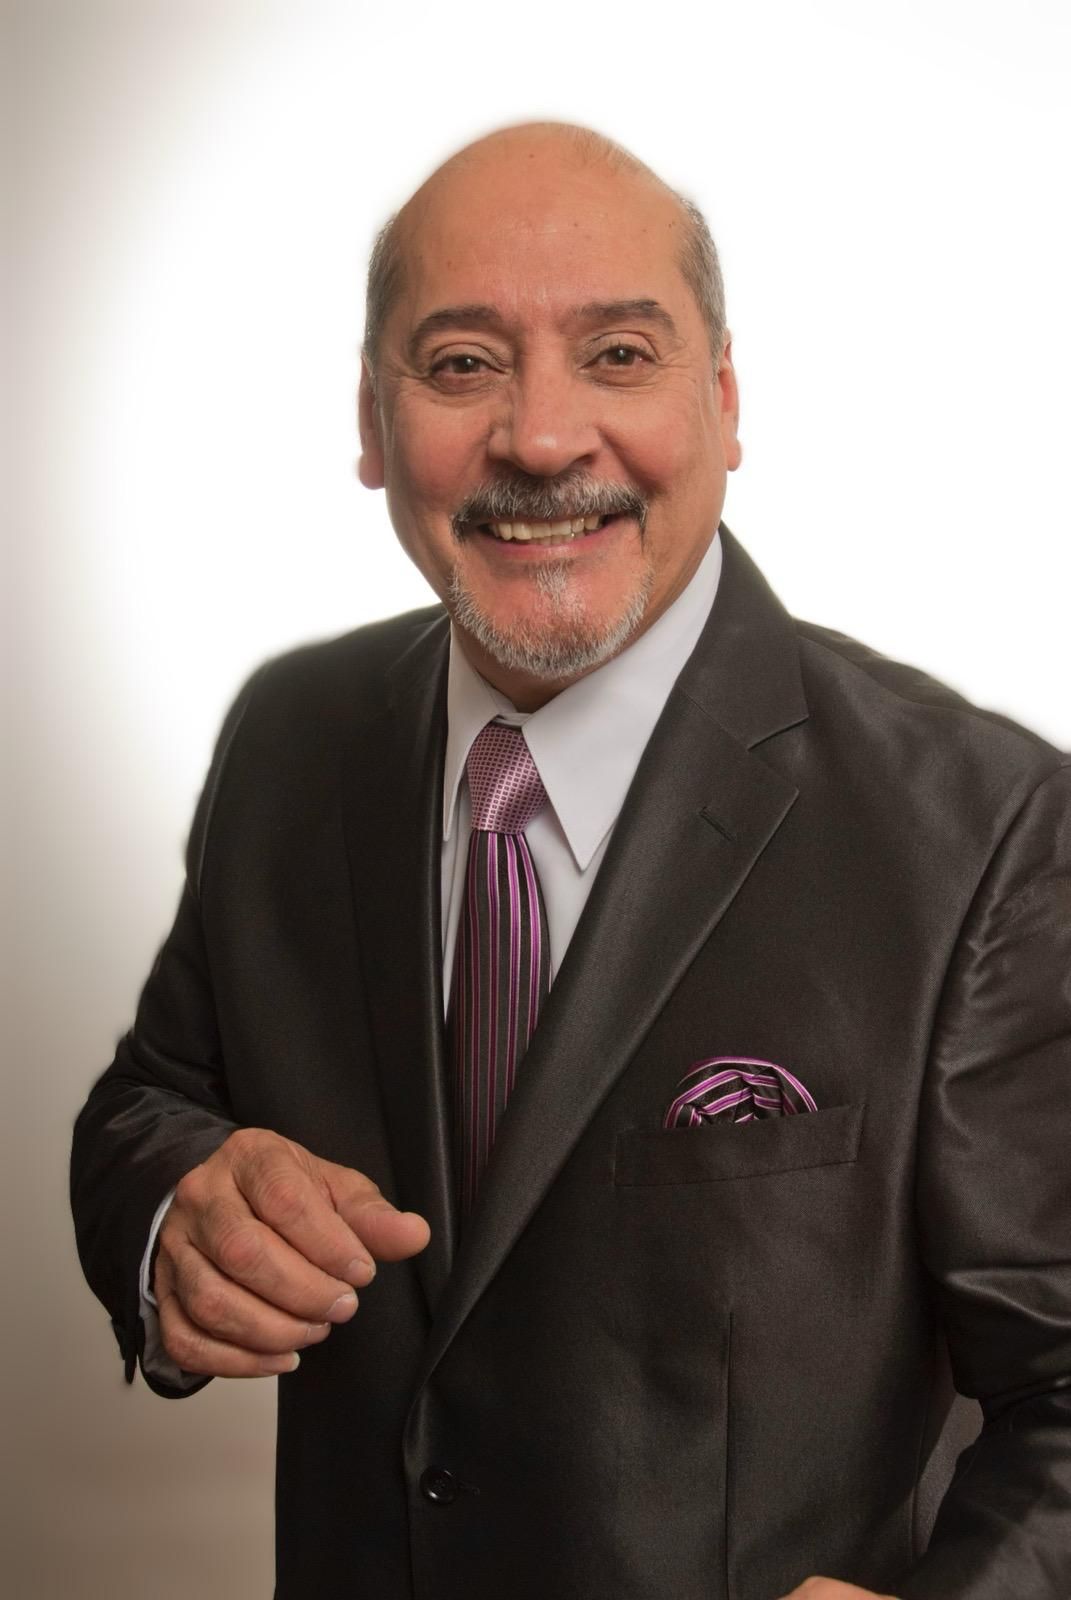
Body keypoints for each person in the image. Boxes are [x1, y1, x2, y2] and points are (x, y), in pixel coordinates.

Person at [71, 122, 1071, 1600]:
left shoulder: (982, 827)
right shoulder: (291, 737)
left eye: (617, 355)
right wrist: (173, 1210)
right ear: (371, 419)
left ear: (723, 401)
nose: (541, 440)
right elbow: (153, 1097)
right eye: (462, 362)